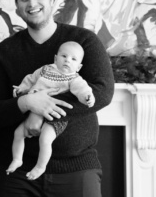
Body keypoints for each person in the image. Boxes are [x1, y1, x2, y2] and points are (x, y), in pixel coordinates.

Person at [0, 0, 114, 197]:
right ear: (17, 6)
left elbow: (103, 92)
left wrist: (44, 110)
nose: (32, 3)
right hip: (17, 174)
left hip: (77, 169)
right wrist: (27, 102)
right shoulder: (4, 52)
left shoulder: (84, 41)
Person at [7, 41, 95, 180]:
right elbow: (30, 79)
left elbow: (82, 90)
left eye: (73, 59)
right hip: (34, 108)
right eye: (63, 56)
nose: (67, 60)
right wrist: (22, 89)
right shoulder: (45, 69)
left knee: (45, 138)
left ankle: (40, 167)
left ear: (78, 67)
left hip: (54, 115)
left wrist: (87, 98)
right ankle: (17, 159)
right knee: (18, 133)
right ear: (55, 58)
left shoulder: (73, 78)